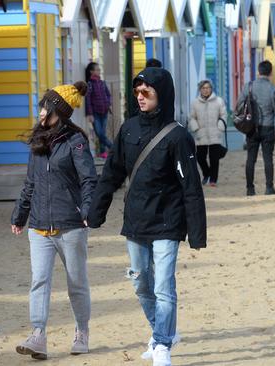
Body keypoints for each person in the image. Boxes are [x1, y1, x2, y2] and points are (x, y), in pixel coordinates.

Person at [87, 67, 207, 366]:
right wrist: (95, 212)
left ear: (161, 95)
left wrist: (196, 232)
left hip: (168, 221)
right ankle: (161, 330)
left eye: (146, 93)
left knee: (163, 286)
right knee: (140, 283)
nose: (140, 97)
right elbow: (112, 173)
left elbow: (191, 186)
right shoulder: (128, 129)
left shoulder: (178, 136)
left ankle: (163, 344)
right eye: (137, 93)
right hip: (136, 220)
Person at [12, 81, 97, 360]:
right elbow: (30, 183)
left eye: (45, 108)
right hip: (39, 226)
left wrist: (87, 210)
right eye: (40, 107)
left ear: (58, 111)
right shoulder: (38, 142)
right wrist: (20, 214)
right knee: (39, 280)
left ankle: (81, 332)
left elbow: (88, 180)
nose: (40, 113)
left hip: (70, 225)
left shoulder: (76, 142)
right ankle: (38, 335)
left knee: (77, 282)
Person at [237, 60, 275, 196]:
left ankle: (250, 189)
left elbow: (239, 104)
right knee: (268, 158)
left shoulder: (248, 87)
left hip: (251, 127)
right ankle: (269, 188)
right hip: (268, 127)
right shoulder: (274, 89)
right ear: (270, 73)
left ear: (258, 72)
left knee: (250, 158)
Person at [188, 80, 227, 186]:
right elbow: (191, 117)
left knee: (214, 158)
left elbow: (223, 115)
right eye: (203, 88)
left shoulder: (219, 101)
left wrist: (220, 126)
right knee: (200, 157)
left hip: (215, 133)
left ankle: (213, 179)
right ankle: (206, 174)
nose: (206, 90)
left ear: (211, 88)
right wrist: (195, 128)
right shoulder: (195, 103)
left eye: (208, 87)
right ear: (200, 90)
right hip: (201, 134)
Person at [85, 62, 113, 159]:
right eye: (97, 69)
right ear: (91, 71)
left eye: (99, 69)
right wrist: (90, 114)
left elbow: (108, 95)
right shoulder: (89, 84)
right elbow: (87, 100)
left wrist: (109, 103)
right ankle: (113, 147)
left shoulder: (102, 83)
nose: (99, 71)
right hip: (95, 113)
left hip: (104, 111)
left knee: (102, 134)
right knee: (99, 133)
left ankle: (103, 153)